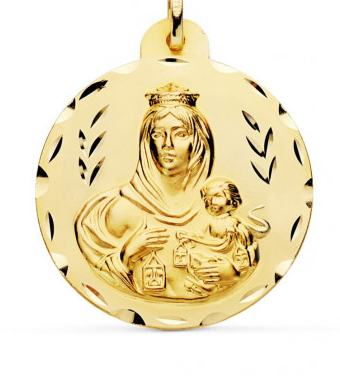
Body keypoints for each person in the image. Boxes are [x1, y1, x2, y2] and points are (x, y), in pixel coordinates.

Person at [76, 82, 236, 300]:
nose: (167, 144)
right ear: (146, 142)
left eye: (180, 134)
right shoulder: (120, 210)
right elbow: (100, 272)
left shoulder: (217, 205)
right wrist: (127, 254)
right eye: (158, 134)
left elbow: (241, 258)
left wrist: (229, 275)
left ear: (199, 142)